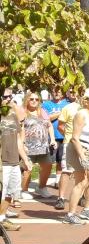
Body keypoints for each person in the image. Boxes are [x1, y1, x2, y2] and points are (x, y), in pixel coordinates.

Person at [63, 88, 89, 225]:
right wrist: (82, 155)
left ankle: (87, 209)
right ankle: (71, 214)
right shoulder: (81, 114)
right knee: (81, 182)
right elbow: (75, 138)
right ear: (86, 101)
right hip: (79, 149)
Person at [0, 90, 28, 230]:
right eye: (5, 97)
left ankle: (2, 218)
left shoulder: (12, 115)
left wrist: (25, 159)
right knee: (2, 191)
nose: (8, 99)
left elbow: (18, 139)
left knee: (11, 191)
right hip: (2, 162)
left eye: (10, 97)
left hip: (13, 160)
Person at [21, 91, 55, 199]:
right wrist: (22, 144)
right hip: (28, 146)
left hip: (43, 146)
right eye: (31, 99)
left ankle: (42, 187)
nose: (34, 101)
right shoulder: (23, 112)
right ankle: (24, 190)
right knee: (28, 168)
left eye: (36, 99)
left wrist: (52, 139)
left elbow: (49, 125)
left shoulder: (42, 111)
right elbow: (20, 129)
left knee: (48, 166)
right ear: (27, 100)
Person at [54, 89, 79, 211]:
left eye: (76, 91)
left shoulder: (87, 108)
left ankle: (82, 196)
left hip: (85, 145)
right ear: (68, 94)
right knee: (67, 171)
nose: (73, 94)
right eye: (71, 92)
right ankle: (61, 198)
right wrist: (69, 135)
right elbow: (60, 126)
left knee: (84, 172)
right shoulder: (67, 108)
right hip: (69, 143)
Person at [42, 86, 67, 188]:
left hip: (64, 136)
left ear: (62, 93)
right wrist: (60, 113)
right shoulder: (46, 105)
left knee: (61, 161)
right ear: (51, 92)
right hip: (51, 137)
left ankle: (57, 181)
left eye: (59, 92)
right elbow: (47, 118)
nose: (57, 93)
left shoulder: (67, 104)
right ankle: (43, 183)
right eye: (55, 91)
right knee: (48, 161)